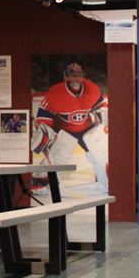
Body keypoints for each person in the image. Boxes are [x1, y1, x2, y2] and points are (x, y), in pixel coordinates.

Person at [31, 61, 108, 191]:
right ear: (66, 77)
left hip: (87, 127)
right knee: (57, 158)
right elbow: (44, 113)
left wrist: (102, 122)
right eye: (73, 75)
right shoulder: (56, 92)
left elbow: (101, 107)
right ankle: (40, 185)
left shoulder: (92, 88)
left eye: (79, 75)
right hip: (65, 130)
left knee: (101, 153)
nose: (76, 78)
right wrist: (46, 131)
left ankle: (107, 181)